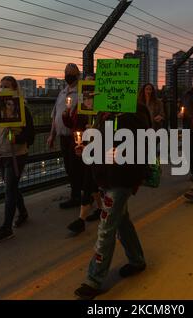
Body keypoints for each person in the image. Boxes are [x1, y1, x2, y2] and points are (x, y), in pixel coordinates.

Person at [74, 103, 151, 300]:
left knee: (106, 226)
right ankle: (137, 260)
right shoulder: (101, 115)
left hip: (122, 179)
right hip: (105, 176)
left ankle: (94, 279)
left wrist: (125, 154)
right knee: (121, 222)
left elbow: (144, 143)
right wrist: (87, 148)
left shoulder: (135, 113)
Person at [0, 76, 35, 243]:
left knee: (9, 190)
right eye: (1, 86)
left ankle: (6, 228)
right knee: (12, 187)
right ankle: (23, 213)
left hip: (16, 155)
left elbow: (30, 135)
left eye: (7, 86)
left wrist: (17, 138)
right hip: (0, 154)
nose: (2, 89)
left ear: (15, 89)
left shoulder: (22, 108)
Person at [64, 75, 103, 235]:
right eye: (85, 81)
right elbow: (72, 125)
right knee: (91, 181)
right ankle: (100, 209)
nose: (88, 86)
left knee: (88, 180)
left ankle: (81, 220)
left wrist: (95, 127)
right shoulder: (80, 106)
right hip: (85, 146)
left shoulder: (103, 105)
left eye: (91, 82)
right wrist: (66, 114)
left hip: (99, 146)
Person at [48, 63, 83, 209]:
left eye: (71, 72)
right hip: (63, 136)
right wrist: (52, 135)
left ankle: (78, 196)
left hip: (75, 137)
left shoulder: (81, 92)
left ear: (78, 75)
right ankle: (79, 194)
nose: (68, 75)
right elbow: (55, 115)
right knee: (68, 167)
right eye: (66, 72)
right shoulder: (62, 93)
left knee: (76, 167)